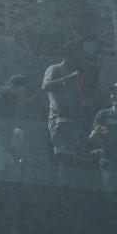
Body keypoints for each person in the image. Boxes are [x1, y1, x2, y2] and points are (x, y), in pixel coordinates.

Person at [43, 40, 96, 183]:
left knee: (78, 161)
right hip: (59, 120)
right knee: (64, 159)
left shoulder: (79, 76)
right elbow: (46, 86)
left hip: (76, 122)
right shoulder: (55, 69)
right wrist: (68, 79)